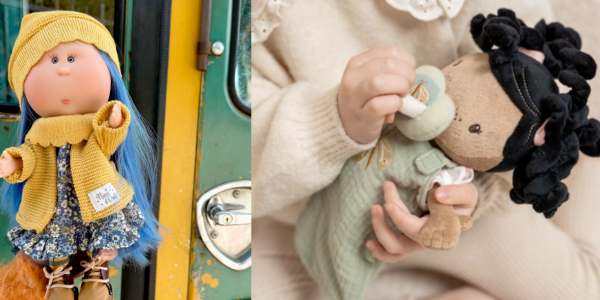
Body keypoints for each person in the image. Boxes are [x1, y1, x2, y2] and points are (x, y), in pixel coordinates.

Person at [251, 0, 600, 299]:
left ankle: (579, 159)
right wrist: (332, 121)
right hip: (304, 202)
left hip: (462, 191)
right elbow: (230, 149)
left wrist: (467, 198)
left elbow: (531, 83)